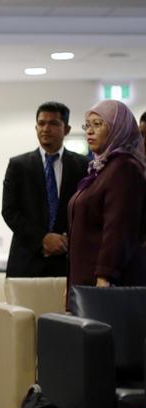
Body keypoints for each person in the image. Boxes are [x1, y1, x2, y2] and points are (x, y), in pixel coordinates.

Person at [2, 101, 89, 277]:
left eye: (53, 123)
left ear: (67, 129)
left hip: (68, 261)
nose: (46, 129)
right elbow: (10, 212)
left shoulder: (83, 166)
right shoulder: (18, 166)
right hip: (27, 261)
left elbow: (87, 212)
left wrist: (66, 241)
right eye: (41, 123)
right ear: (36, 128)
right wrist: (42, 239)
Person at [68, 99, 146, 288]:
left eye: (98, 124)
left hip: (105, 282)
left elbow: (117, 227)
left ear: (118, 128)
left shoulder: (124, 168)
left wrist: (105, 275)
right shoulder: (100, 169)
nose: (89, 130)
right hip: (85, 278)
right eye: (87, 125)